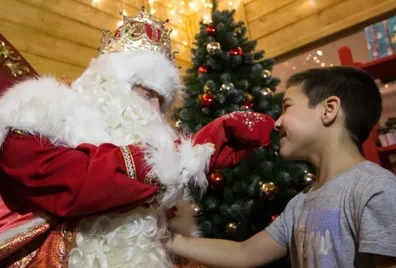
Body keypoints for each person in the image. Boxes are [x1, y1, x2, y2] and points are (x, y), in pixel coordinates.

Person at [0, 8, 217, 268]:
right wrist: (169, 160)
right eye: (147, 93)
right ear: (108, 82)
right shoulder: (44, 112)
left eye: (163, 102)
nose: (155, 112)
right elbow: (70, 184)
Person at [165, 66, 396, 267]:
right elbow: (244, 253)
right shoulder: (300, 204)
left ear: (329, 109)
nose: (276, 123)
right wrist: (163, 238)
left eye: (287, 106)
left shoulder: (375, 189)